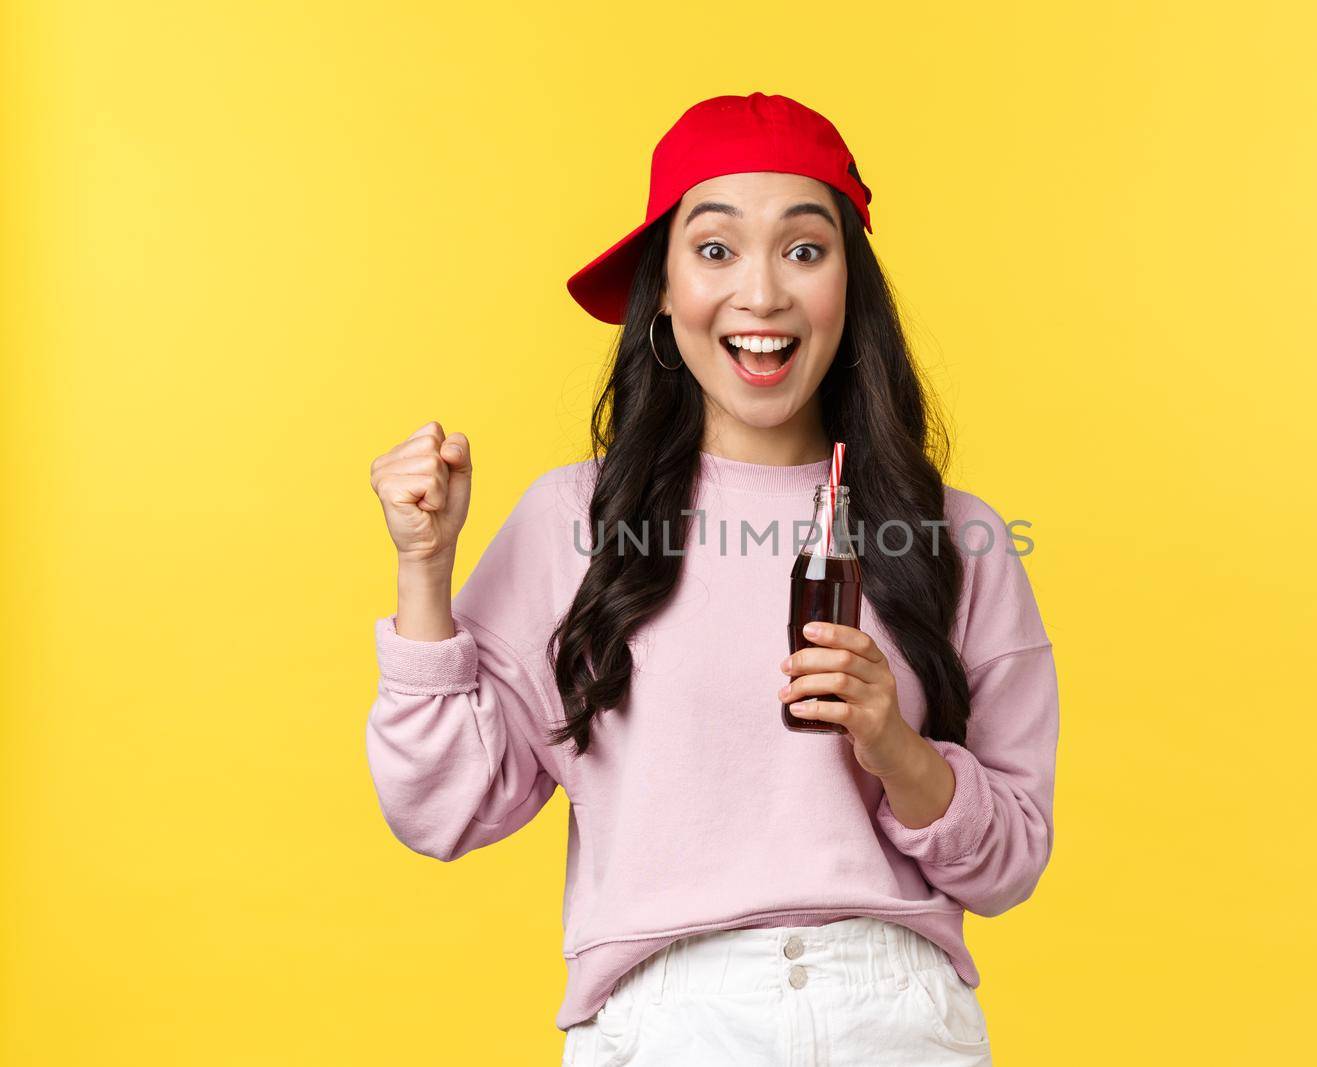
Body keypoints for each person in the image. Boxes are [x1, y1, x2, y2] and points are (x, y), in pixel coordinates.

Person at [363, 92, 1059, 1066]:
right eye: (716, 248)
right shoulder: (579, 522)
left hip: (893, 1018)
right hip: (665, 1020)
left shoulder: (956, 535)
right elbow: (443, 807)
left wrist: (892, 740)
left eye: (805, 250)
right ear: (662, 290)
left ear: (849, 289)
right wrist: (424, 572)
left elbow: (1011, 860)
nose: (763, 294)